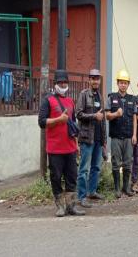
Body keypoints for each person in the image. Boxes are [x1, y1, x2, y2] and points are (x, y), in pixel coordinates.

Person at [38, 69, 85, 217]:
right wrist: (58, 120)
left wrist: (76, 145)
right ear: (55, 83)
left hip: (70, 148)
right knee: (56, 178)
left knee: (72, 177)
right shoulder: (48, 100)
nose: (63, 84)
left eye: (65, 82)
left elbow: (73, 125)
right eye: (60, 82)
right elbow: (41, 122)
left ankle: (71, 206)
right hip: (55, 149)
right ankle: (60, 206)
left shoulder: (70, 101)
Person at [75, 69, 107, 208]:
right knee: (84, 169)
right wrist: (94, 116)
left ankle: (92, 192)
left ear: (99, 80)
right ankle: (81, 197)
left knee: (96, 167)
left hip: (98, 138)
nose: (95, 81)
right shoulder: (83, 95)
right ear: (89, 80)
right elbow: (79, 114)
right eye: (93, 78)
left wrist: (104, 140)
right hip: (87, 138)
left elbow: (103, 118)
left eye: (97, 78)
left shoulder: (100, 96)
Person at [105, 69, 138, 198]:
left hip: (129, 137)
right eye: (121, 82)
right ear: (117, 83)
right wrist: (116, 114)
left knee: (127, 162)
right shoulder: (111, 98)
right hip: (116, 137)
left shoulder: (132, 99)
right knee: (115, 163)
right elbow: (107, 116)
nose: (123, 85)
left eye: (125, 83)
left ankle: (126, 187)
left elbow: (135, 118)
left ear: (128, 84)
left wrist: (134, 135)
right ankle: (117, 189)